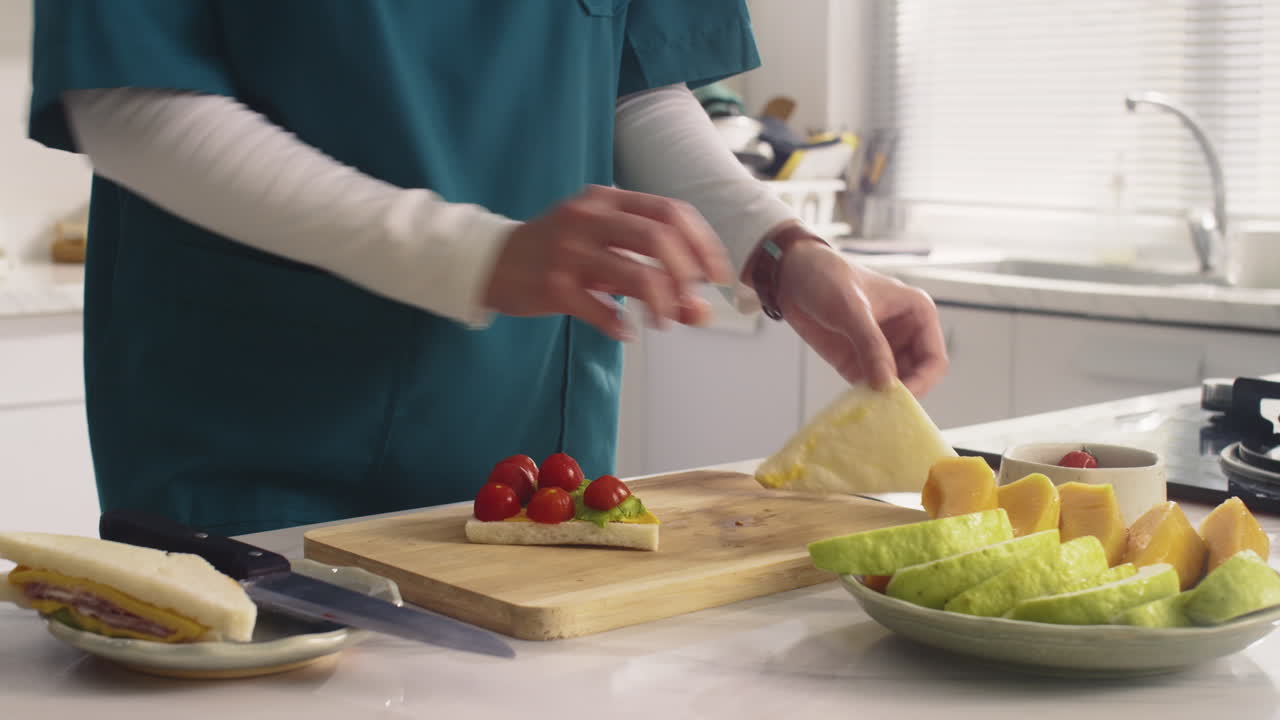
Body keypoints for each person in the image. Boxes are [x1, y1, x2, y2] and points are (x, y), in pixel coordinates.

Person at [27, 1, 948, 536]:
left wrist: (780, 251)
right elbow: (125, 91)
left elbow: (635, 81)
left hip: (522, 441)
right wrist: (474, 254)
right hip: (252, 429)